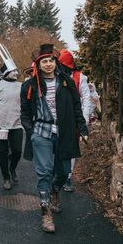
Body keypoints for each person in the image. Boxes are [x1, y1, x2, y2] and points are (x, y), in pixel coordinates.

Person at [20, 44, 88, 233]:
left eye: (51, 60)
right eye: (44, 61)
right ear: (38, 64)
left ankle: (55, 190)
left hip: (64, 132)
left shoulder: (67, 82)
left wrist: (82, 128)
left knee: (64, 170)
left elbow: (76, 107)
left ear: (55, 63)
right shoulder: (30, 85)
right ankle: (46, 212)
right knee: (44, 172)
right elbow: (24, 113)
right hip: (41, 133)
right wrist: (31, 130)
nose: (48, 64)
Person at [58, 49, 92, 192]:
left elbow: (86, 99)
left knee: (71, 147)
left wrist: (83, 121)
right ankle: (58, 173)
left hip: (74, 117)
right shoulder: (55, 77)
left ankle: (68, 177)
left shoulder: (80, 77)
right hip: (59, 116)